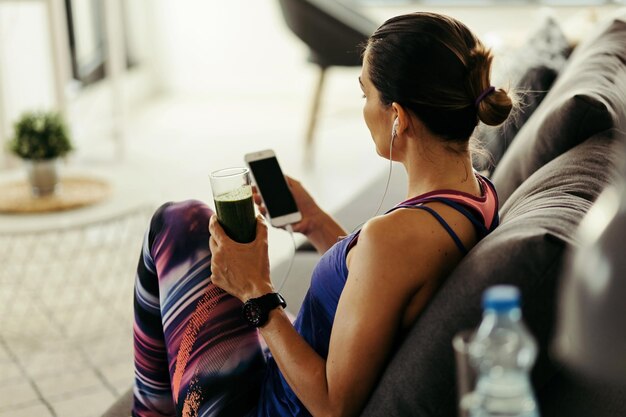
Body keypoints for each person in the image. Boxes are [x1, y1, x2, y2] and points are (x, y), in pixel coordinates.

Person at [132, 12, 513, 417]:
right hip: (285, 372)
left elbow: (333, 406)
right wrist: (314, 222)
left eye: (365, 94)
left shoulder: (397, 238)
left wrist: (255, 291)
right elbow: (376, 283)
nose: (364, 109)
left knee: (177, 223)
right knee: (186, 225)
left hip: (270, 407)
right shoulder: (476, 193)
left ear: (398, 116)